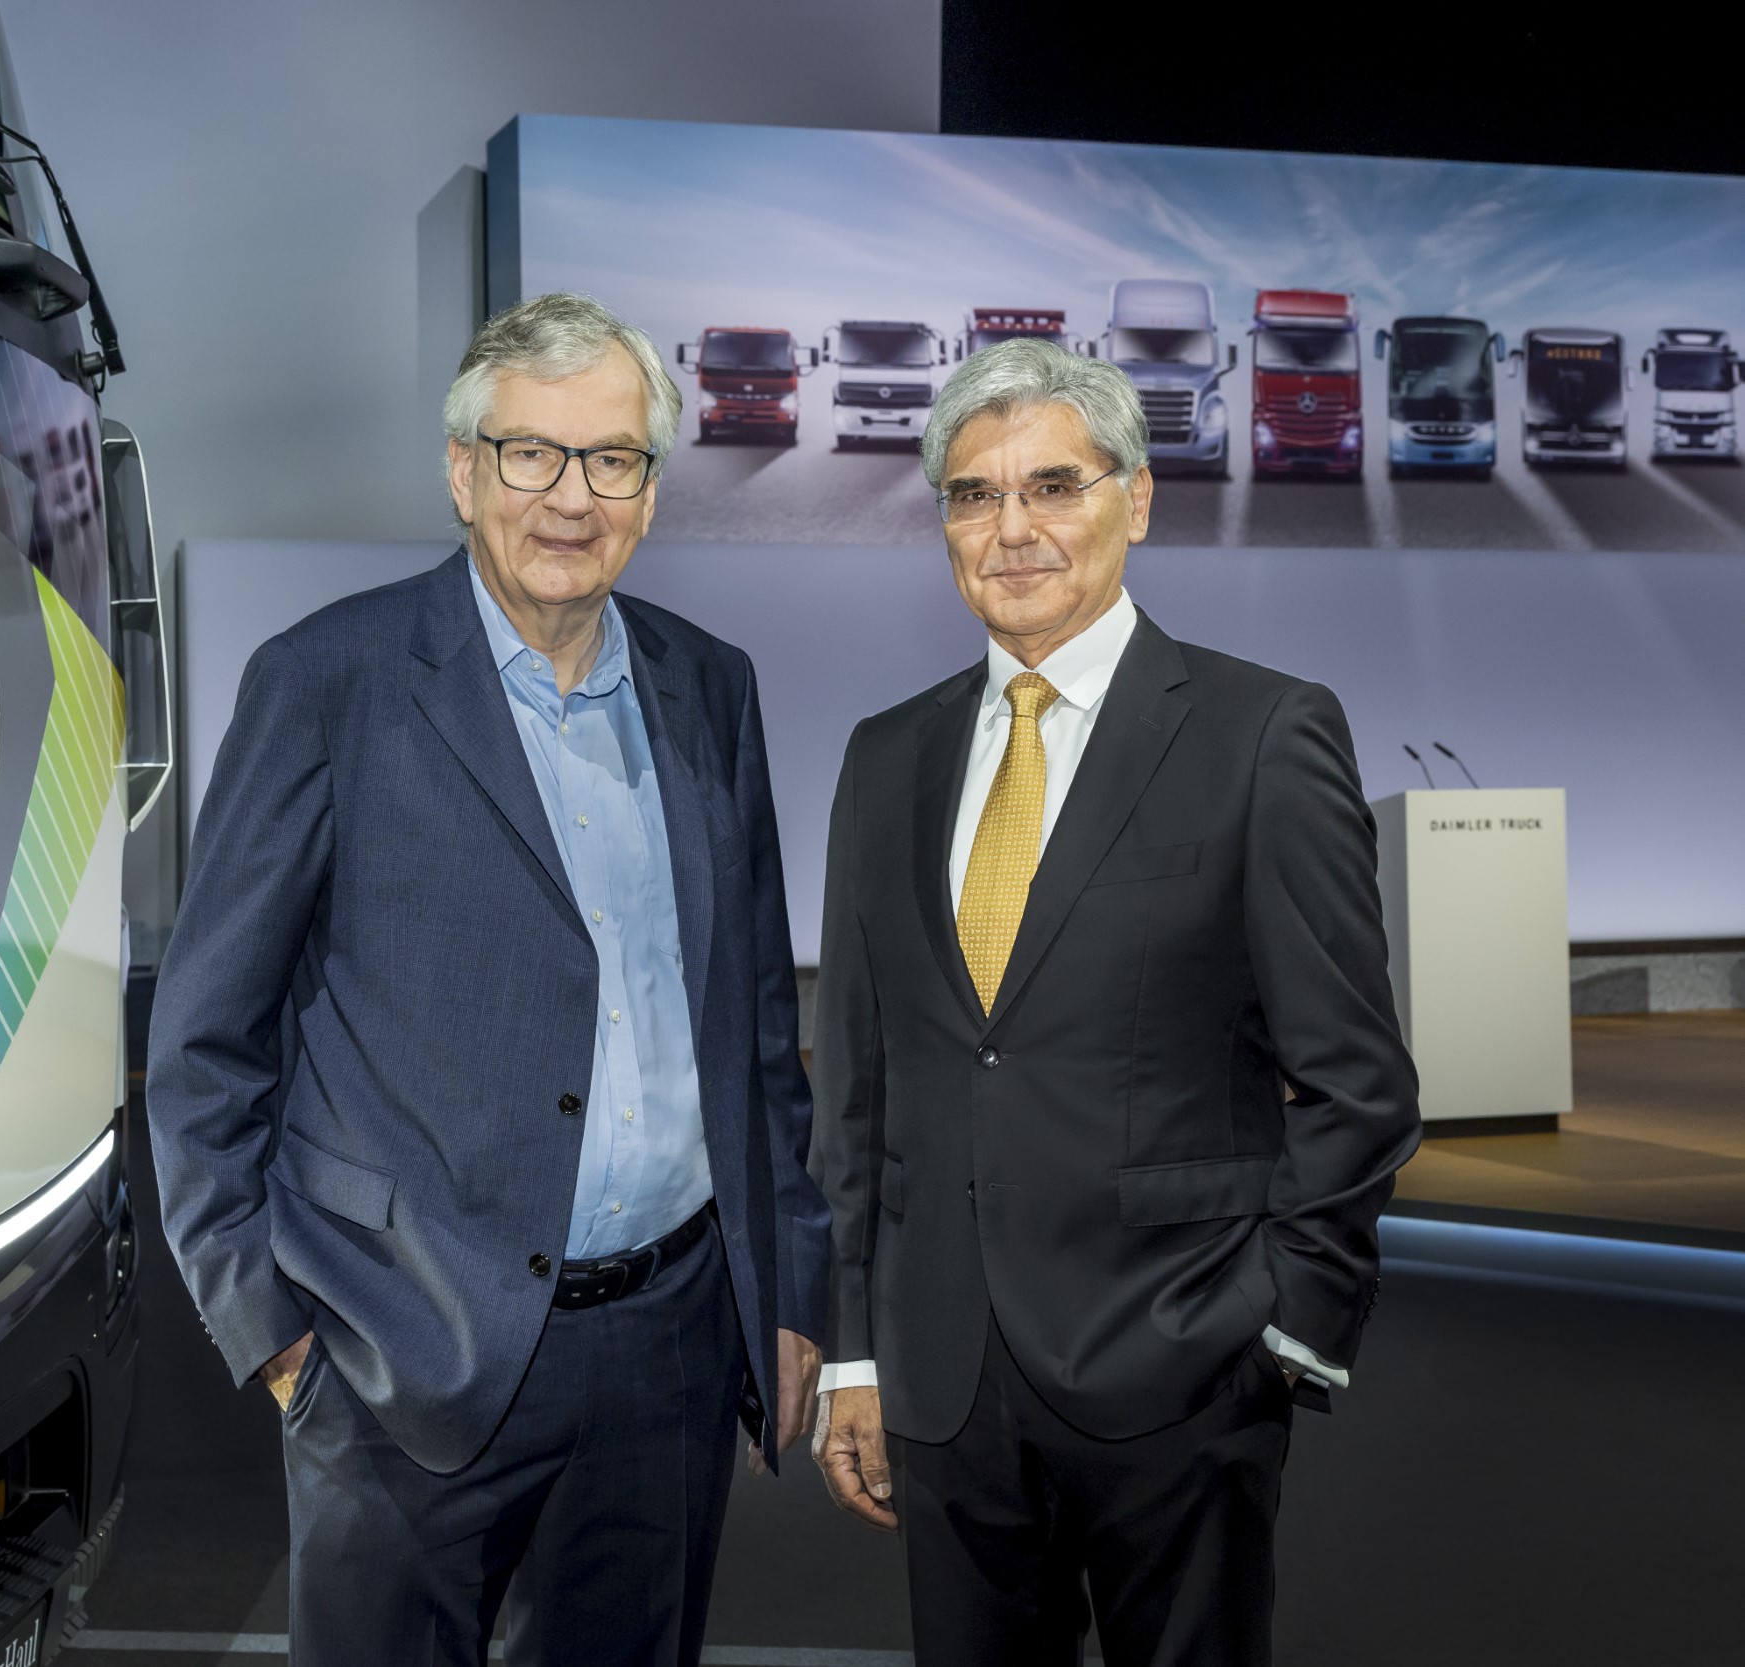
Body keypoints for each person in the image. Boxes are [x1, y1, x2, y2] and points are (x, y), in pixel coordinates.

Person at [147, 292, 829, 1664]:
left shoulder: (712, 687)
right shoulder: (326, 682)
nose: (571, 498)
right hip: (400, 1344)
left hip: (670, 1350)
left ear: (649, 487)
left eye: (612, 460)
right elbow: (203, 1042)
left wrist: (789, 1284)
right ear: (463, 472)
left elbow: (754, 1026)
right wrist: (275, 1336)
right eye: (532, 455)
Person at [809, 338, 1421, 1664]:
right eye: (975, 496)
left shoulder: (1264, 735)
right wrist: (857, 1355)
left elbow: (1359, 1081)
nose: (1013, 528)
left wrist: (1284, 1328)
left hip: (1184, 1378)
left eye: (1054, 486)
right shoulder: (886, 756)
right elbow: (860, 1090)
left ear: (1135, 501)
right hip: (945, 1385)